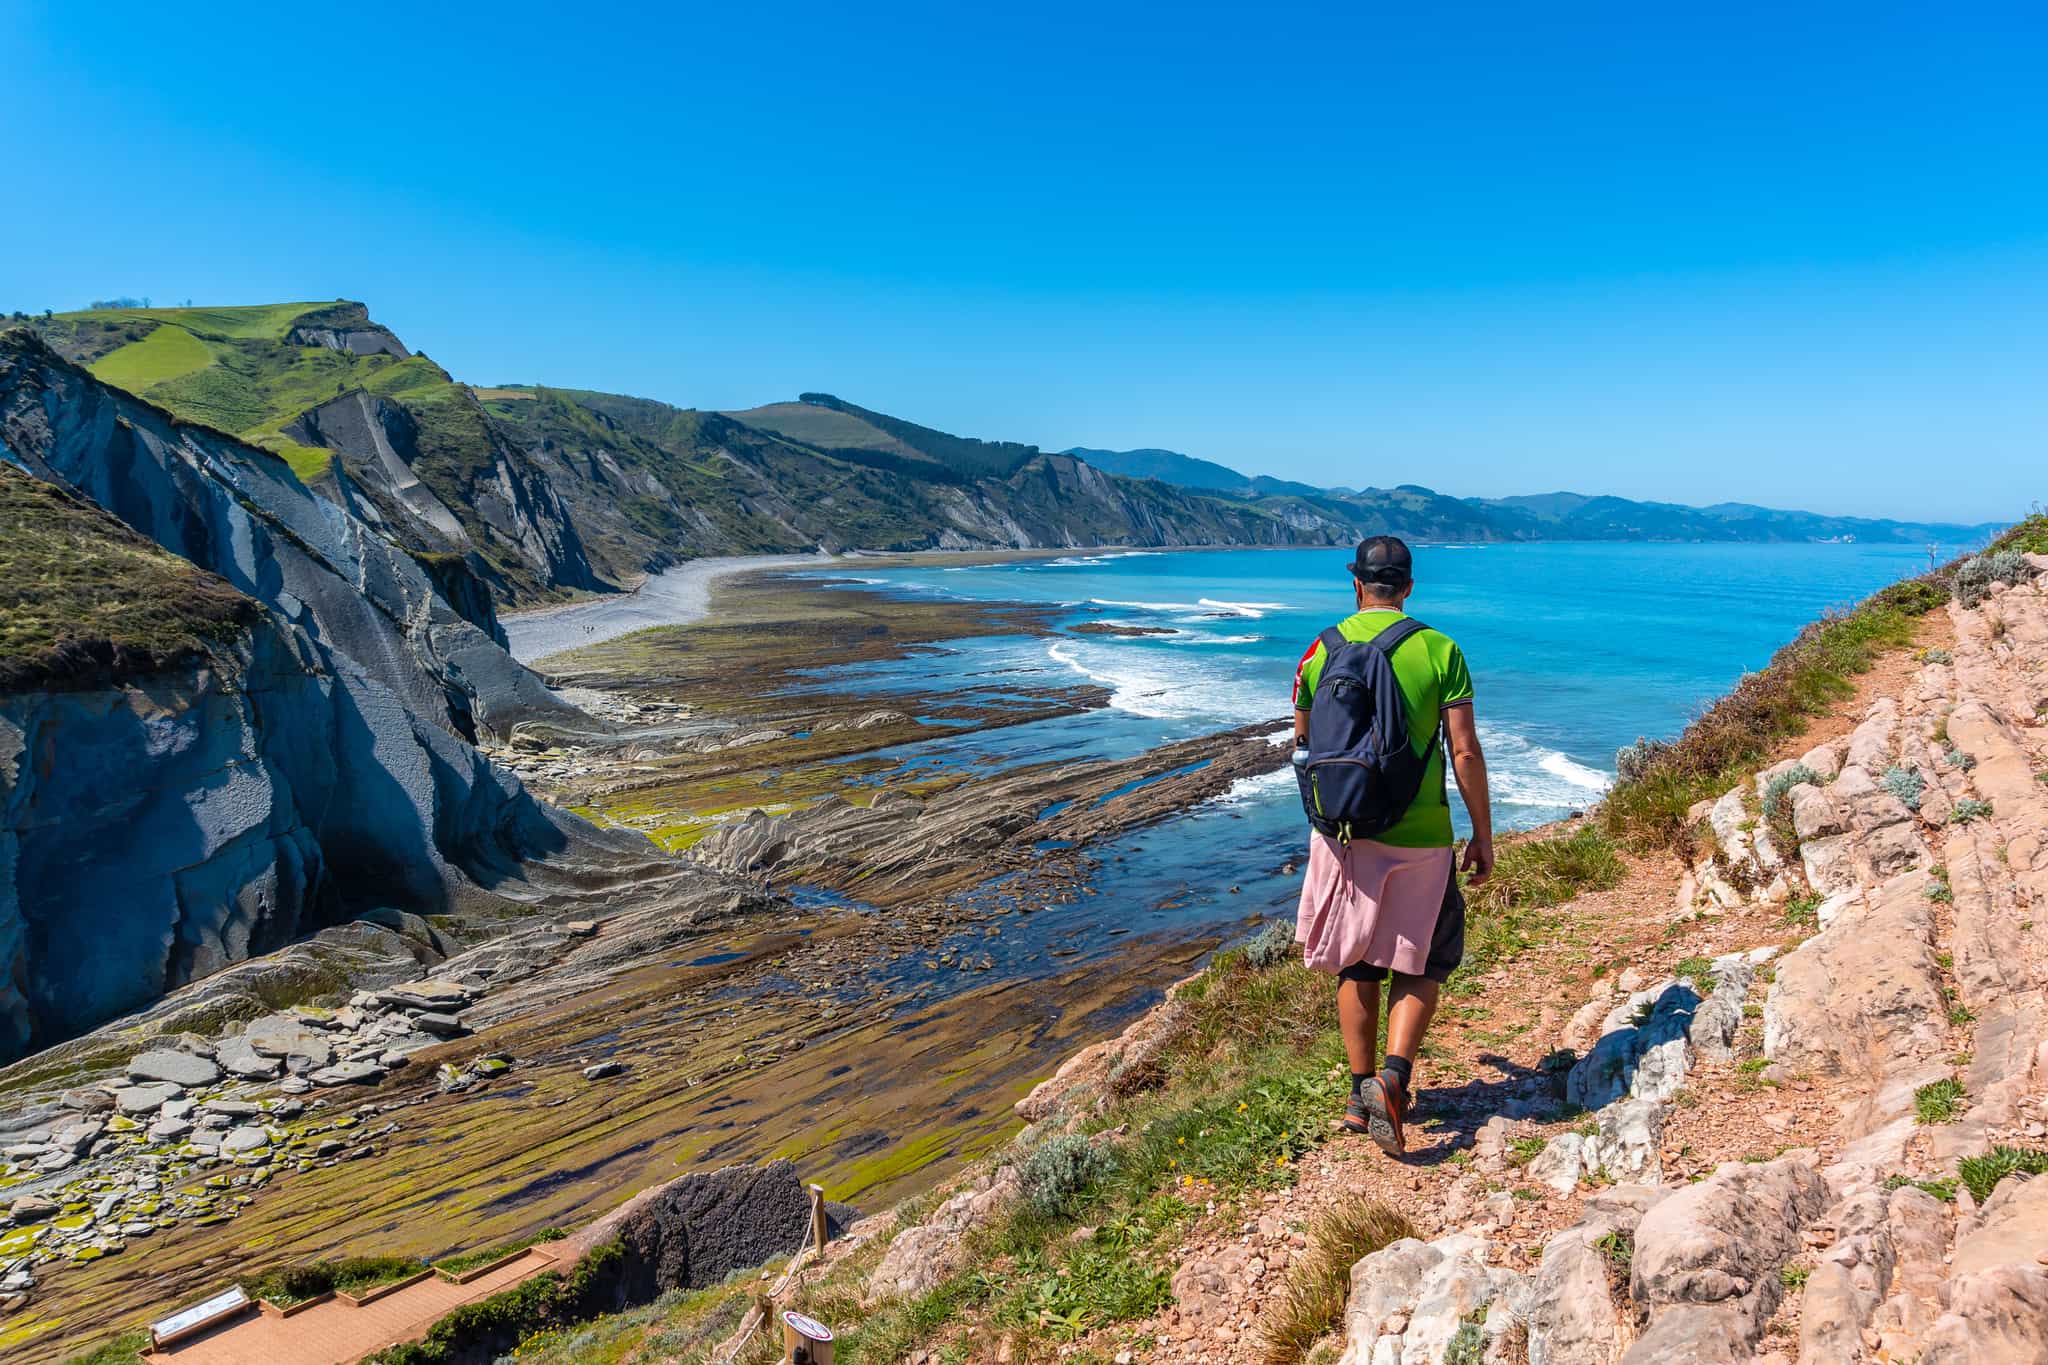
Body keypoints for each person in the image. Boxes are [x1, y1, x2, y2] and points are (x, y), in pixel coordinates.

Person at [1291, 535, 1493, 1156]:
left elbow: (1304, 742)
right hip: (1421, 834)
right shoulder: (1440, 649)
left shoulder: (1318, 651)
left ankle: (1359, 1094)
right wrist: (1483, 834)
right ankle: (1395, 1078)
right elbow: (1462, 749)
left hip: (1344, 832)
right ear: (1408, 587)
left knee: (1357, 962)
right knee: (1425, 958)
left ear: (1356, 584)